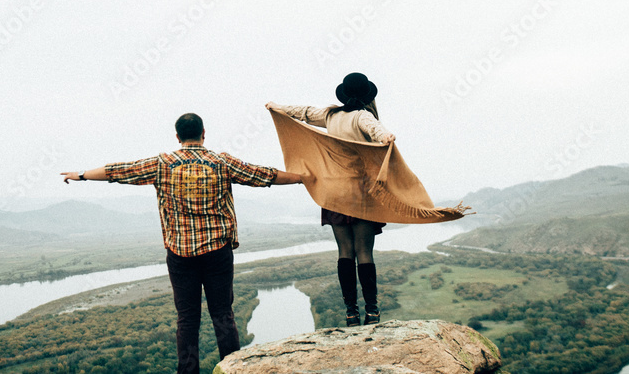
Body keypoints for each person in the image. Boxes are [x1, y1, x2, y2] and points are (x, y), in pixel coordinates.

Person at [61, 112, 303, 374]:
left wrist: (82, 174)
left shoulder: (162, 164)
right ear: (203, 133)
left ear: (177, 137)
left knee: (187, 320)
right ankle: (234, 369)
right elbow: (263, 175)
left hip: (179, 253)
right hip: (217, 251)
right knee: (223, 314)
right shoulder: (222, 162)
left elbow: (118, 171)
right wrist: (301, 177)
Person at [267, 72, 394, 327]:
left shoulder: (330, 115)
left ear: (344, 94)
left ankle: (350, 312)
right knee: (364, 252)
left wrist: (277, 107)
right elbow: (377, 131)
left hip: (333, 193)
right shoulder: (363, 116)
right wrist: (385, 138)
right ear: (368, 95)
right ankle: (372, 311)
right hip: (360, 192)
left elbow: (302, 111)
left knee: (344, 252)